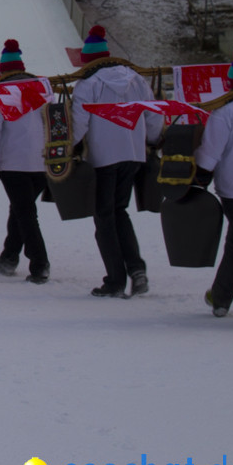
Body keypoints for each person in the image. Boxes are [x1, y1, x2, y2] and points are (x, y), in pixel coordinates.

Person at [71, 25, 162, 297]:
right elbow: (154, 114)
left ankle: (115, 280)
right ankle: (137, 269)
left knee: (104, 216)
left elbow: (79, 122)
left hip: (103, 157)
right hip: (133, 154)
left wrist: (71, 146)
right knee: (119, 211)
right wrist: (154, 140)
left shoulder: (88, 84)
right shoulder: (136, 79)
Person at [0, 40, 50, 284]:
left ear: (3, 70)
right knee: (22, 209)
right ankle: (9, 257)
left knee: (25, 212)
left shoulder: (1, 93)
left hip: (13, 162)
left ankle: (39, 263)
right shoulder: (41, 90)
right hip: (41, 162)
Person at [196, 46, 233, 317]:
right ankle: (220, 297)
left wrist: (199, 177)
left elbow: (209, 156)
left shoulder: (224, 113)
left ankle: (221, 297)